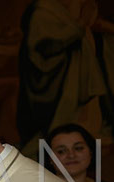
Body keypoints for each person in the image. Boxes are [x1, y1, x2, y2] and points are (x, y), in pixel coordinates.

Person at [17, 0, 114, 158]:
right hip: (66, 89)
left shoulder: (74, 8)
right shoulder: (42, 12)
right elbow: (45, 47)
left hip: (83, 87)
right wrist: (80, 25)